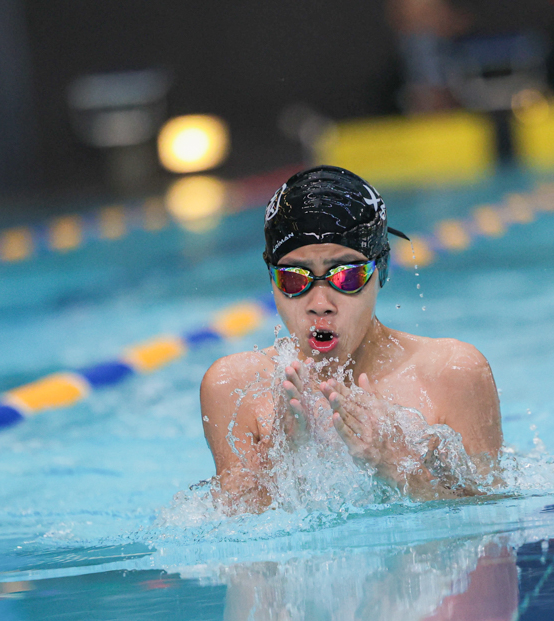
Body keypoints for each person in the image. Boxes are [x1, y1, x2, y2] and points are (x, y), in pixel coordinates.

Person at [199, 166, 503, 514]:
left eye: (347, 276)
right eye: (294, 279)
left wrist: (397, 468)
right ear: (271, 279)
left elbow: (494, 527)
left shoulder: (452, 373)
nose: (320, 303)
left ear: (382, 269)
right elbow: (236, 540)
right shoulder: (233, 387)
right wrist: (284, 458)